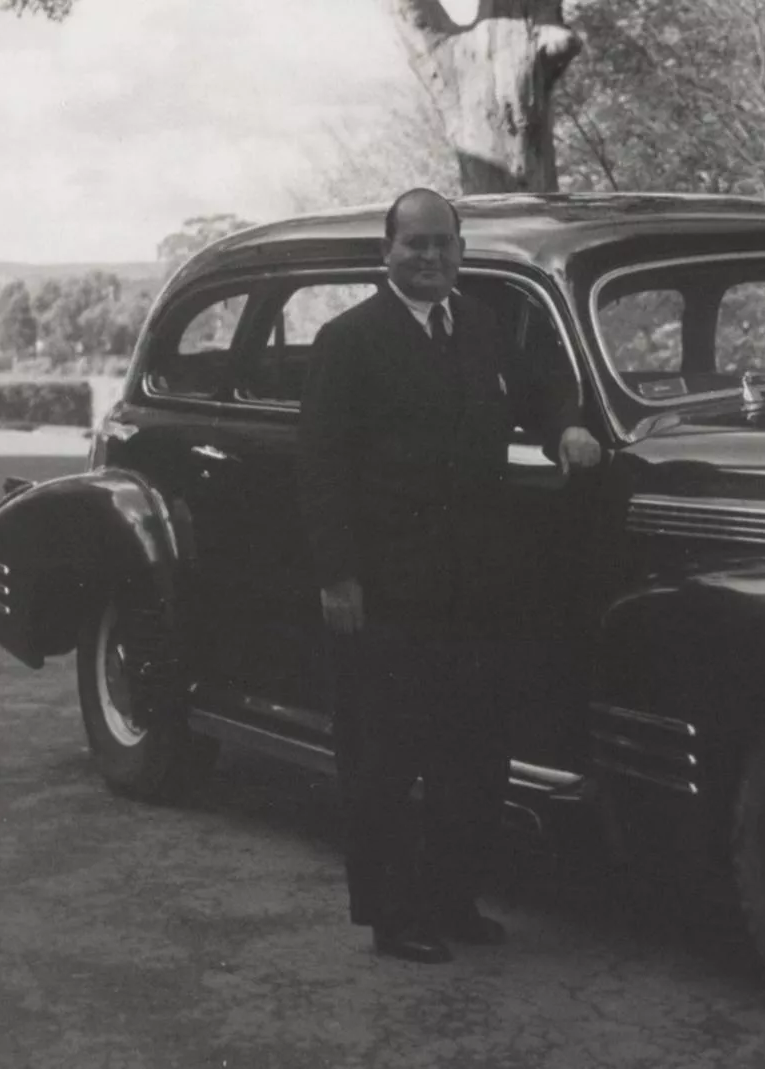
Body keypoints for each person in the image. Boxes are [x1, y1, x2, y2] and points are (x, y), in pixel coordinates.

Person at [297, 188, 601, 964]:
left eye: (443, 244)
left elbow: (540, 389)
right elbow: (323, 470)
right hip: (389, 587)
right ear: (387, 251)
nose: (430, 257)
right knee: (387, 760)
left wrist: (565, 424)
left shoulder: (483, 326)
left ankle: (453, 899)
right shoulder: (348, 339)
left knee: (474, 755)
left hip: (477, 588)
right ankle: (393, 917)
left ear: (460, 251)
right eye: (415, 244)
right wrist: (338, 576)